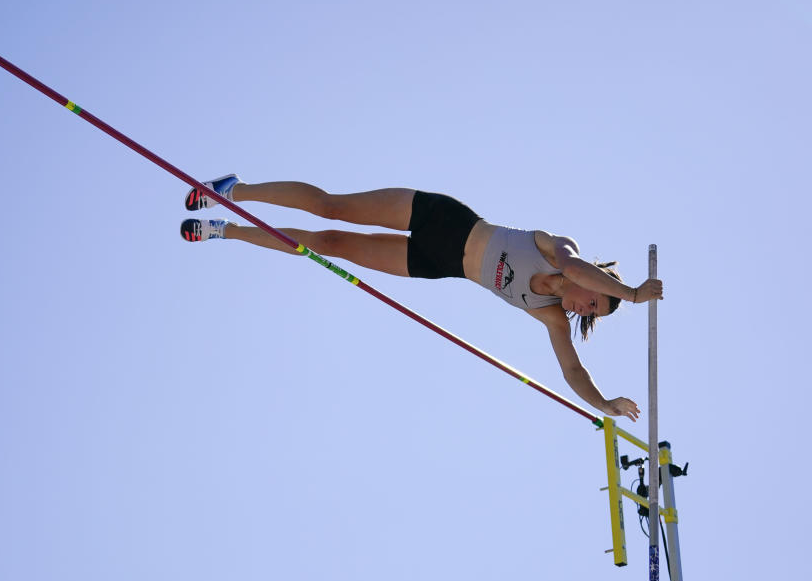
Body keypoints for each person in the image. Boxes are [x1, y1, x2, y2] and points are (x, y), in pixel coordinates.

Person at [180, 175, 664, 421]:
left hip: (439, 266)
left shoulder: (551, 317)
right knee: (332, 207)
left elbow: (572, 372)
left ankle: (228, 230)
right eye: (595, 300)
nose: (585, 308)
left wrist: (604, 403)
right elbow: (577, 269)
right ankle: (234, 189)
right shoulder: (563, 252)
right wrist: (632, 294)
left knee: (328, 246)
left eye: (592, 312)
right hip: (444, 220)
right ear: (596, 282)